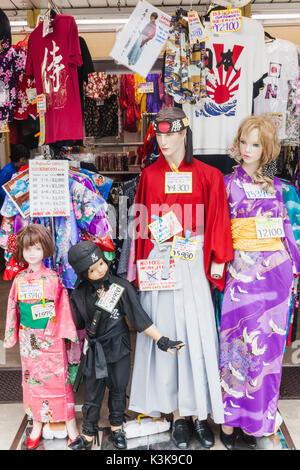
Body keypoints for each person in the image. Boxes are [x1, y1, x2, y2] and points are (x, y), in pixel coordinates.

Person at [128, 107, 234, 449]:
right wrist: (142, 267)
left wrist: (219, 258)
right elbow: (142, 226)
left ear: (184, 134)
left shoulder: (209, 174)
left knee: (198, 336)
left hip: (194, 262)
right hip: (161, 261)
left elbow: (218, 217)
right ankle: (176, 415)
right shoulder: (149, 175)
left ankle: (199, 413)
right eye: (159, 135)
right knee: (166, 336)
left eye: (170, 134)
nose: (164, 141)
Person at [219, 115, 300, 450]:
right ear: (236, 144)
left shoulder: (286, 190)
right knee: (234, 349)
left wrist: (294, 274)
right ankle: (229, 421)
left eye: (256, 144)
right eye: (244, 142)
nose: (248, 150)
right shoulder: (225, 185)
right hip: (239, 278)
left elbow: (293, 237)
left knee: (267, 355)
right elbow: (217, 231)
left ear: (268, 150)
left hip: (276, 280)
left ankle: (258, 421)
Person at [67, 241, 184, 451]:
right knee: (92, 393)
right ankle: (87, 432)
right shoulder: (78, 294)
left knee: (119, 390)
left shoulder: (121, 286)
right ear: (83, 274)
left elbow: (141, 319)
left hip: (119, 347)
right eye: (92, 269)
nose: (100, 269)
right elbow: (76, 325)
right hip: (95, 350)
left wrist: (162, 340)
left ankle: (117, 427)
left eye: (101, 263)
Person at [4, 224, 79, 449]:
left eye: (36, 248)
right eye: (28, 249)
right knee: (32, 383)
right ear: (22, 252)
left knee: (59, 382)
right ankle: (36, 423)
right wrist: (12, 334)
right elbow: (12, 308)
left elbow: (63, 307)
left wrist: (64, 334)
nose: (32, 254)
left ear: (45, 249)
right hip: (30, 339)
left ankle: (70, 423)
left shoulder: (54, 278)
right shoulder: (19, 279)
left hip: (51, 337)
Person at [0, 144, 30, 209]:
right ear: (17, 157)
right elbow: (2, 191)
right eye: (23, 159)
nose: (25, 162)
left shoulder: (18, 169)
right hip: (6, 207)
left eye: (26, 159)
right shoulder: (7, 171)